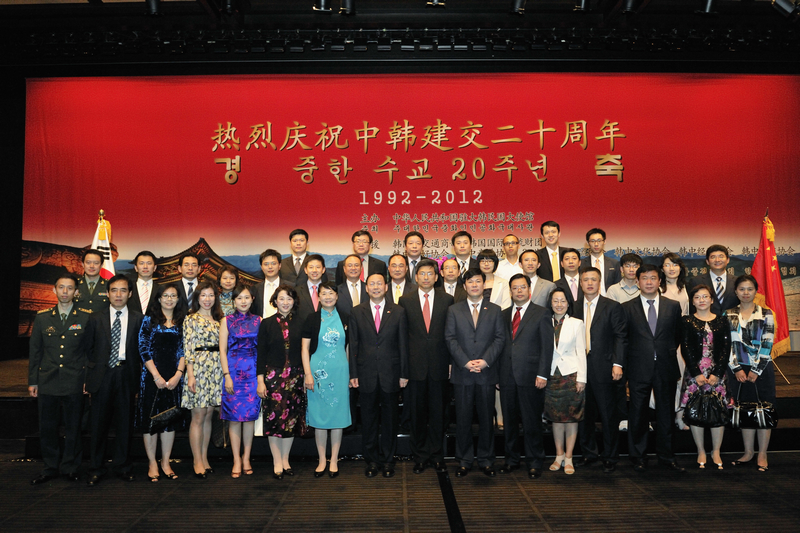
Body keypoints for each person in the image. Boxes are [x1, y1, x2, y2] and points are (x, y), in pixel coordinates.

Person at [28, 274, 92, 485]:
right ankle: (50, 467)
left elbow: (89, 352)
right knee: (47, 427)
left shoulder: (85, 317)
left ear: (76, 292)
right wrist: (33, 381)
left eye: (70, 288)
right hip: (47, 379)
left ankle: (71, 467)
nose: (65, 292)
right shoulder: (43, 317)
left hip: (75, 379)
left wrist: (87, 379)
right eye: (61, 287)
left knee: (74, 427)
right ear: (54, 290)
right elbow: (35, 351)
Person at [622, 265, 685, 473]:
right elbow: (624, 339)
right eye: (644, 278)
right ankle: (638, 456)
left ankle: (667, 456)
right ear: (637, 281)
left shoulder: (673, 306)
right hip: (638, 367)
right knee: (638, 414)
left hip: (665, 367)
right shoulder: (626, 307)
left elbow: (677, 336)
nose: (648, 282)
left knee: (666, 414)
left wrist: (662, 351)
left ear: (660, 281)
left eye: (653, 278)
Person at [445, 268, 505, 477]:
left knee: (487, 419)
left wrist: (486, 361)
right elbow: (450, 338)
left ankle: (486, 459)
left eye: (478, 281)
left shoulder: (495, 310)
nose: (474, 285)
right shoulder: (454, 310)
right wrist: (465, 362)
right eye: (470, 282)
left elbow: (500, 338)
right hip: (463, 373)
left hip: (486, 373)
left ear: (483, 284)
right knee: (463, 419)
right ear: (464, 286)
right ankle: (464, 460)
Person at [349, 272, 409, 478]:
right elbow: (354, 345)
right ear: (366, 288)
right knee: (369, 420)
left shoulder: (398, 311)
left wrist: (403, 373)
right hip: (365, 374)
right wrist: (353, 373)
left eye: (379, 284)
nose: (375, 287)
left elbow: (403, 345)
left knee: (390, 420)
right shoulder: (357, 311)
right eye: (371, 284)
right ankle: (372, 460)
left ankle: (389, 460)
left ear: (386, 287)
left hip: (391, 373)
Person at [85, 274, 144, 486]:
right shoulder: (95, 318)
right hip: (102, 375)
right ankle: (96, 468)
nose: (118, 295)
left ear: (130, 294)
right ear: (107, 293)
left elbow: (142, 350)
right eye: (114, 290)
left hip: (126, 374)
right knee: (98, 424)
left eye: (123, 290)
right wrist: (88, 377)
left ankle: (122, 466)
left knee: (124, 424)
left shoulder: (139, 319)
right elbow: (88, 349)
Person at [398, 259, 454, 474]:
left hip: (440, 365)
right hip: (415, 367)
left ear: (437, 276)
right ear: (416, 277)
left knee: (439, 414)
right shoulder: (405, 300)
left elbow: (451, 334)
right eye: (422, 273)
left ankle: (437, 455)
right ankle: (420, 456)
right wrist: (404, 368)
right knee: (417, 414)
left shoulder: (447, 300)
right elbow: (403, 337)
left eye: (430, 273)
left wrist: (451, 362)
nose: (426, 277)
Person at [497, 273, 553, 479]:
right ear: (510, 291)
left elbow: (547, 347)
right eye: (515, 288)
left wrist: (542, 374)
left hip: (531, 376)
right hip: (506, 376)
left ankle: (535, 461)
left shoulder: (542, 313)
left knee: (531, 422)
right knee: (509, 422)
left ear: (529, 290)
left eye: (522, 287)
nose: (519, 291)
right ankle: (511, 460)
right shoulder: (503, 314)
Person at [573, 267, 627, 473]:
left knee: (607, 415)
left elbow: (620, 337)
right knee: (584, 415)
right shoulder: (573, 306)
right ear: (580, 283)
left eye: (593, 280)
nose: (589, 283)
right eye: (585, 280)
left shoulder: (612, 306)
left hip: (605, 368)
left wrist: (617, 363)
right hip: (579, 369)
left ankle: (610, 456)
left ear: (599, 282)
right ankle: (588, 453)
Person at [137, 284, 187, 482]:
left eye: (173, 296)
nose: (169, 299)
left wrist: (178, 375)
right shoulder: (149, 320)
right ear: (158, 299)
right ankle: (152, 462)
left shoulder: (182, 321)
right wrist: (156, 376)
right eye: (165, 295)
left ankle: (166, 462)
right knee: (151, 420)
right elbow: (143, 349)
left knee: (169, 420)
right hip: (151, 377)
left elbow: (185, 350)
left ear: (178, 299)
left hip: (174, 377)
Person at [301, 282, 352, 478]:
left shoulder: (346, 317)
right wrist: (307, 374)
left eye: (331, 294)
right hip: (317, 373)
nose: (328, 297)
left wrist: (350, 373)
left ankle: (334, 459)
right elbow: (304, 349)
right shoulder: (311, 318)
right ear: (319, 297)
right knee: (319, 417)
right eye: (324, 294)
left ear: (337, 296)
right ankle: (322, 459)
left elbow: (348, 348)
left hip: (340, 373)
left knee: (338, 416)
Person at [678, 284, 731, 470]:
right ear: (692, 301)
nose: (701, 300)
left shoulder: (722, 321)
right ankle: (700, 450)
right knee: (696, 409)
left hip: (717, 373)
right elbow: (685, 347)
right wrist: (696, 373)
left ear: (711, 299)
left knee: (718, 409)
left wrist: (718, 373)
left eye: (705, 296)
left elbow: (726, 348)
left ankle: (716, 451)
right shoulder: (687, 321)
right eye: (697, 297)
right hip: (696, 372)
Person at [727, 275, 776, 472]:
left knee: (763, 409)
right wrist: (736, 368)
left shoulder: (766, 313)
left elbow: (767, 343)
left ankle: (762, 453)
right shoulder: (728, 314)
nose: (745, 293)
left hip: (761, 370)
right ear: (736, 292)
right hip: (737, 369)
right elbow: (726, 345)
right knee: (744, 409)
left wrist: (756, 370)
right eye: (742, 289)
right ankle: (748, 452)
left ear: (756, 291)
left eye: (749, 289)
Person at [257, 285, 305, 479]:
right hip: (273, 378)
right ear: (275, 301)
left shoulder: (301, 323)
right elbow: (261, 354)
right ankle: (276, 461)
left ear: (294, 302)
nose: (285, 302)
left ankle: (286, 460)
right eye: (282, 298)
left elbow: (305, 351)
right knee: (274, 419)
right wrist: (260, 380)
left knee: (291, 420)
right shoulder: (266, 324)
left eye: (289, 299)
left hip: (295, 377)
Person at [180, 281, 223, 479]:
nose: (207, 299)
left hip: (216, 370)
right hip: (198, 369)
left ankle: (205, 458)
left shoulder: (219, 319)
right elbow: (188, 348)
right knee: (198, 416)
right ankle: (196, 460)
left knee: (208, 415)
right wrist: (190, 375)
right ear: (197, 298)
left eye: (211, 295)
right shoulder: (191, 319)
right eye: (203, 295)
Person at [220, 285, 262, 478]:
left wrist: (260, 377)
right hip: (233, 373)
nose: (243, 301)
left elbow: (262, 350)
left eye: (246, 297)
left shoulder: (259, 321)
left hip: (253, 373)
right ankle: (236, 459)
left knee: (250, 418)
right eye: (239, 298)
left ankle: (247, 457)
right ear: (233, 301)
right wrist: (227, 375)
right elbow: (222, 351)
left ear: (252, 299)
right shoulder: (226, 321)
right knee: (234, 418)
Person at [544, 288, 586, 475]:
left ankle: (569, 457)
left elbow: (581, 352)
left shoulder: (577, 323)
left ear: (568, 303)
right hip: (551, 375)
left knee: (571, 417)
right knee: (556, 417)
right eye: (555, 301)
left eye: (563, 301)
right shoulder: (544, 322)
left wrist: (582, 379)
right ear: (550, 303)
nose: (559, 304)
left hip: (571, 376)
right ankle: (558, 454)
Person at [660, 253, 690, 430]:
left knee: (682, 378)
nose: (671, 268)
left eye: (675, 264)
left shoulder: (687, 287)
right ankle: (665, 417)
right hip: (664, 339)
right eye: (667, 265)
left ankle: (680, 416)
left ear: (680, 267)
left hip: (683, 338)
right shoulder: (658, 288)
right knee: (665, 379)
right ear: (662, 269)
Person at [687, 244, 739, 315]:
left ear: (728, 260)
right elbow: (692, 307)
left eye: (721, 256)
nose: (717, 260)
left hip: (732, 320)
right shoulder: (696, 281)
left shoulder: (737, 281)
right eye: (713, 257)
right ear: (707, 261)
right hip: (706, 321)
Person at [581, 228, 621, 295]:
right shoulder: (581, 264)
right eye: (593, 241)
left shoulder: (614, 263)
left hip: (609, 298)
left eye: (599, 241)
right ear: (588, 243)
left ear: (604, 242)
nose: (596, 244)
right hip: (589, 298)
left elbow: (618, 285)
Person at [74, 249, 109, 314]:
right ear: (82, 264)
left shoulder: (109, 285)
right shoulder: (74, 284)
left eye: (96, 263)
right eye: (88, 262)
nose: (92, 266)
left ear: (101, 265)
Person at [296, 254, 327, 324]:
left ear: (323, 270)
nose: (314, 270)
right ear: (305, 270)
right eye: (311, 267)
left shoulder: (330, 291)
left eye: (318, 267)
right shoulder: (297, 291)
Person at [251, 249, 282, 318]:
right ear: (261, 267)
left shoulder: (290, 286)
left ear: (279, 265)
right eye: (266, 264)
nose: (270, 267)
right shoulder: (255, 289)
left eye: (273, 263)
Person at [130, 250, 158, 314]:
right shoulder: (128, 288)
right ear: (136, 268)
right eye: (141, 263)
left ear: (155, 267)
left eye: (149, 263)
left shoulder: (162, 289)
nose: (145, 267)